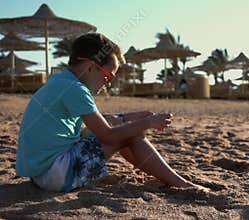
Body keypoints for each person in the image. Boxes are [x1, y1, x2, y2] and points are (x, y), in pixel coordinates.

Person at [16, 33, 207, 192]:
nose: (108, 84)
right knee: (130, 135)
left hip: (39, 174)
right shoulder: (76, 89)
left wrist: (128, 118)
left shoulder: (61, 81)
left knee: (124, 127)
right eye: (108, 76)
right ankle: (179, 183)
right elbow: (108, 135)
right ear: (91, 66)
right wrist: (147, 123)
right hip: (56, 175)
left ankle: (158, 172)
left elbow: (96, 123)